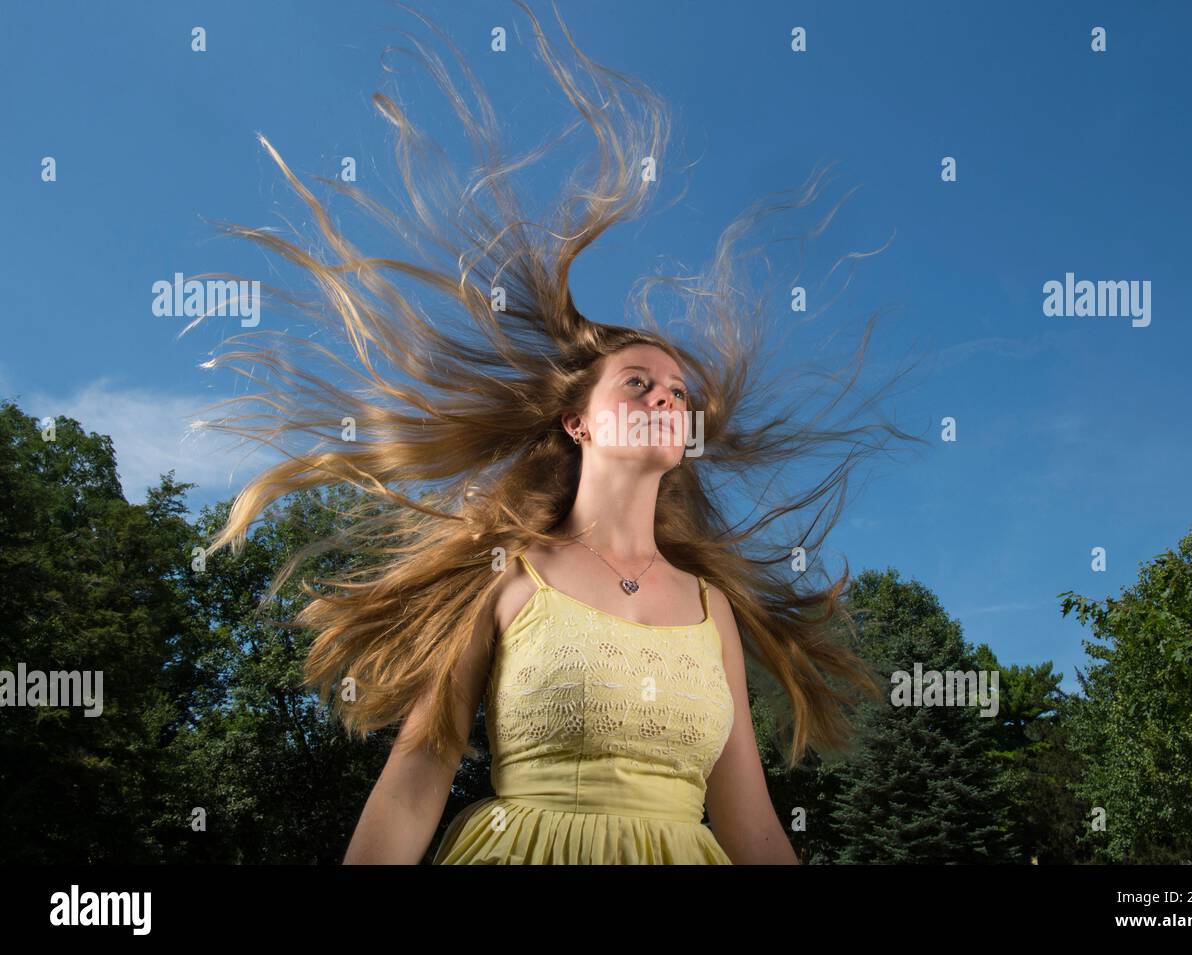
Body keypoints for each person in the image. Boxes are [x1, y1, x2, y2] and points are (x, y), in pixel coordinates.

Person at [193, 0, 916, 864]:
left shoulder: (710, 608)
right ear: (576, 419)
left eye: (677, 394)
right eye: (638, 381)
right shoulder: (506, 574)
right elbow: (418, 775)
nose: (663, 398)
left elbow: (753, 823)